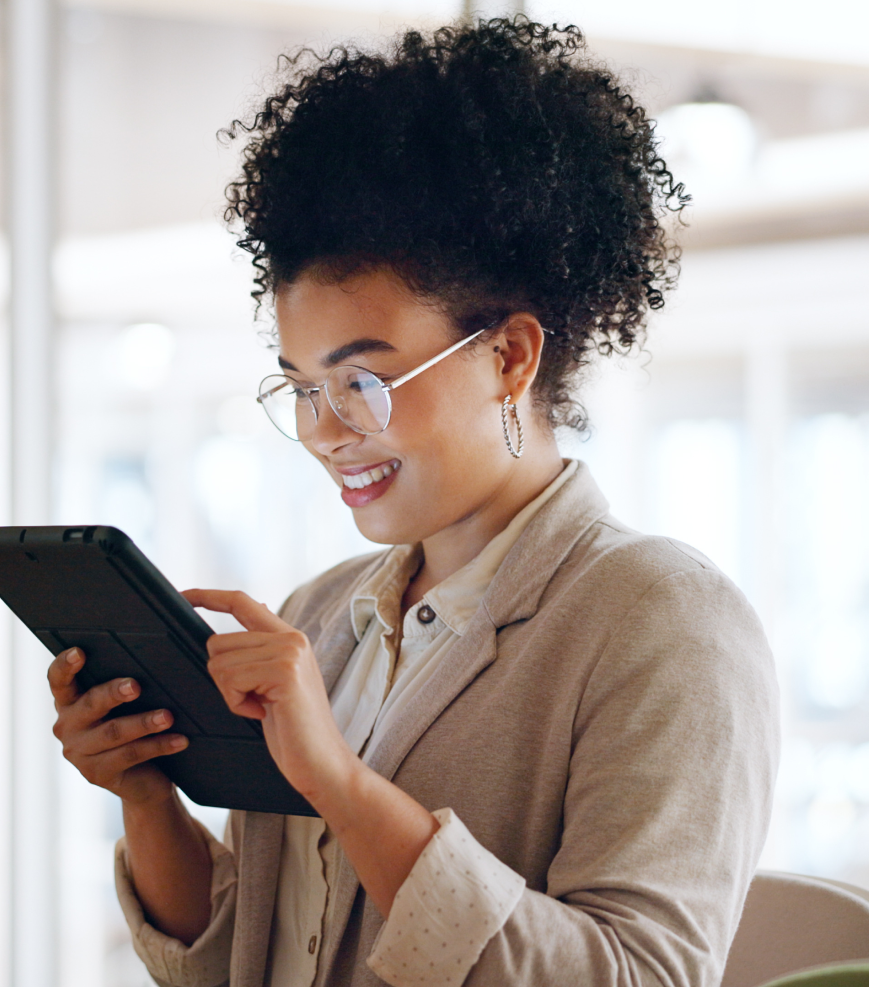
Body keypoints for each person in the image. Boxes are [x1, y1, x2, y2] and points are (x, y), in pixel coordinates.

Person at [48, 17, 779, 987]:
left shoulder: (664, 622)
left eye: (363, 382)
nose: (323, 431)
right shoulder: (324, 617)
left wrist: (343, 788)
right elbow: (245, 960)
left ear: (510, 356)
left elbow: (640, 976)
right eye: (304, 389)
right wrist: (147, 801)